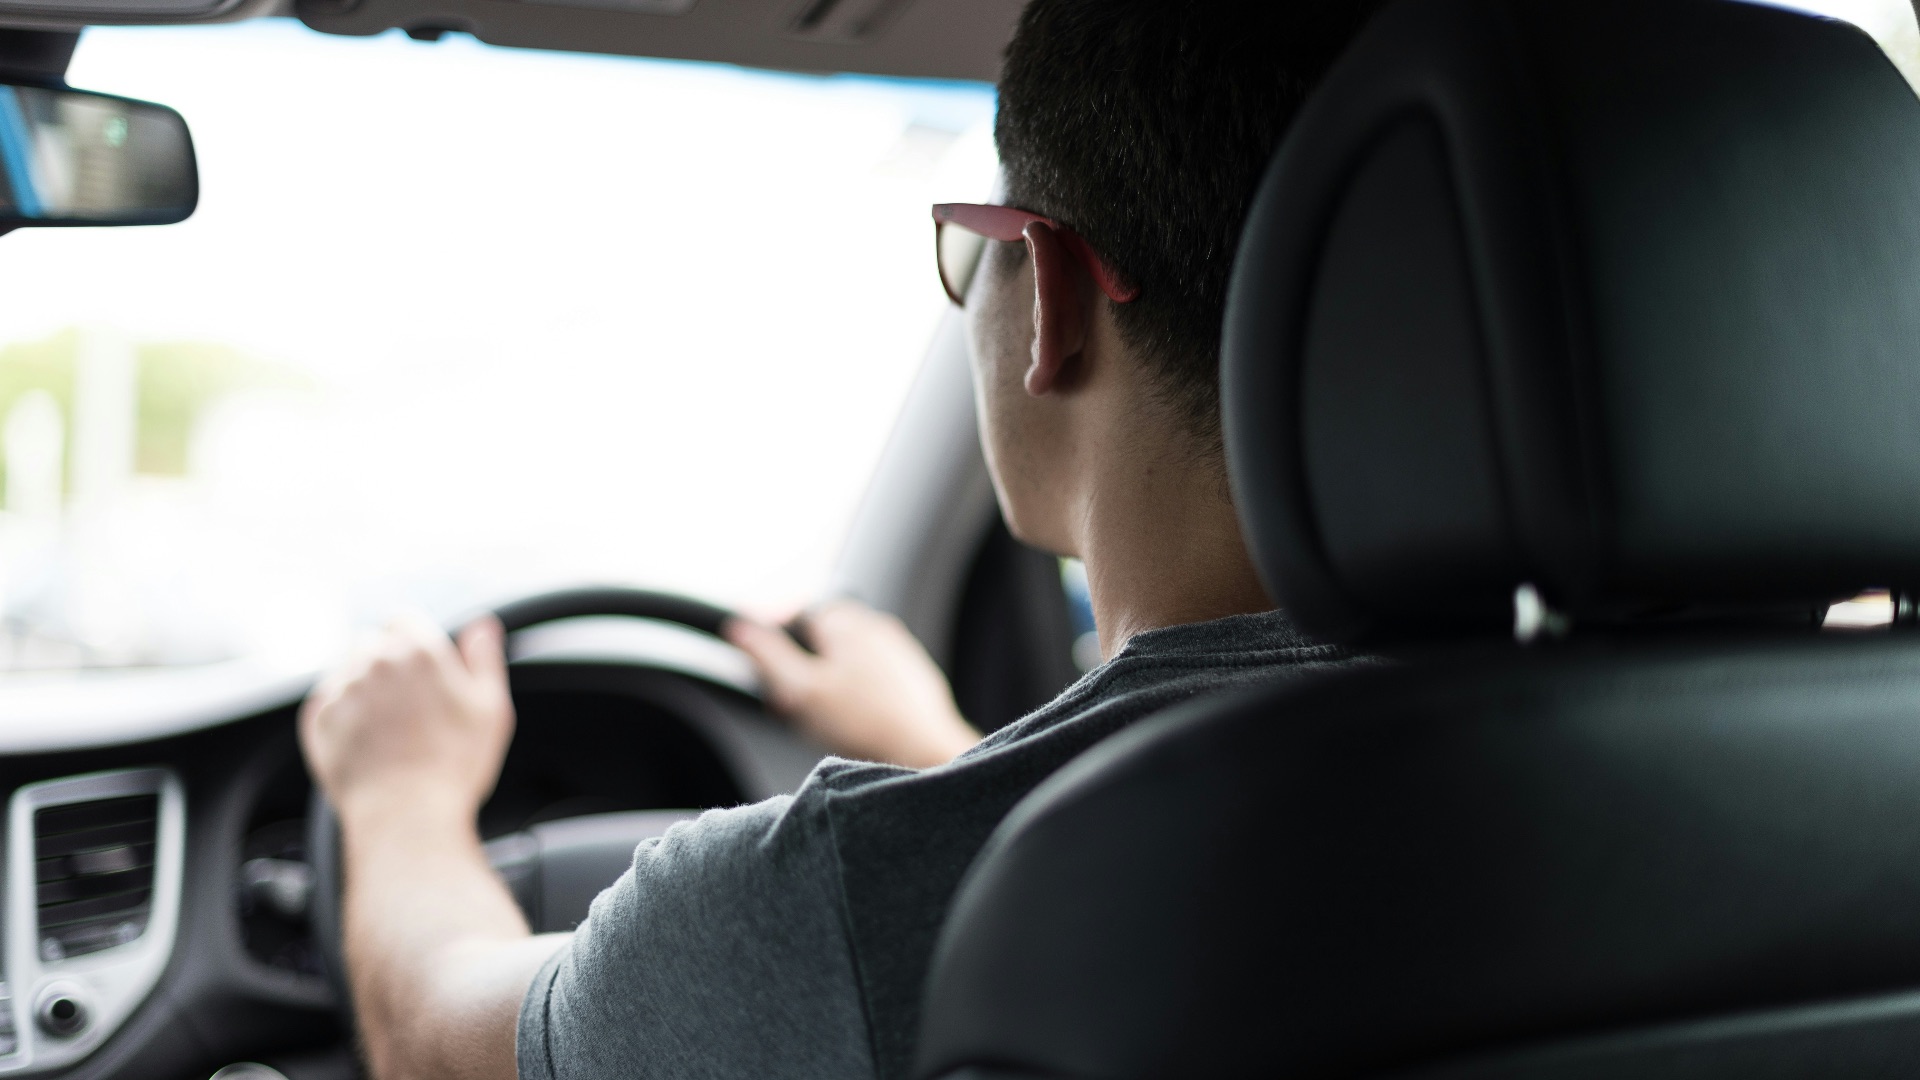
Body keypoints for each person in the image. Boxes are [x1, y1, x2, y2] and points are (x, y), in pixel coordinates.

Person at [296, 2, 1382, 1078]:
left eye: (974, 247)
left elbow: (432, 1040)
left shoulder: (837, 891)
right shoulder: (1531, 750)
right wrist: (941, 750)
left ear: (1049, 297)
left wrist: (401, 798)